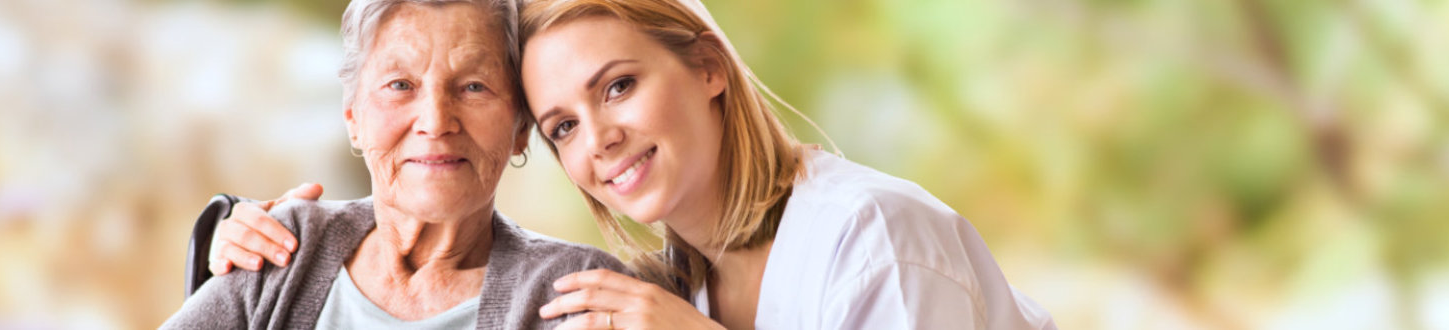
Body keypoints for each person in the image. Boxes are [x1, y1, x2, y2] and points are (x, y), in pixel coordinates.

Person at [208, 0, 1058, 328]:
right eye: (564, 125)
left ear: (709, 67)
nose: (599, 140)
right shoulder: (666, 289)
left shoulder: (876, 241)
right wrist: (225, 244)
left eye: (618, 86)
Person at [158, 0, 626, 329]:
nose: (436, 122)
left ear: (520, 127)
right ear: (353, 118)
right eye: (400, 85)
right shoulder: (287, 245)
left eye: (473, 87)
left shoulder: (576, 293)